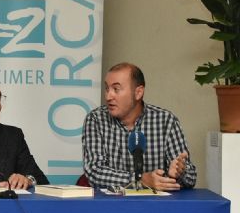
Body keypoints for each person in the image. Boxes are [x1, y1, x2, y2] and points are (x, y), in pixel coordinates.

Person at [82, 62, 197, 191]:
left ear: (138, 92)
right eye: (107, 88)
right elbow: (94, 172)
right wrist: (140, 180)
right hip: (111, 207)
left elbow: (192, 177)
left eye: (116, 89)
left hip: (156, 207)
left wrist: (180, 172)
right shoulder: (96, 119)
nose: (109, 96)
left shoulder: (166, 121)